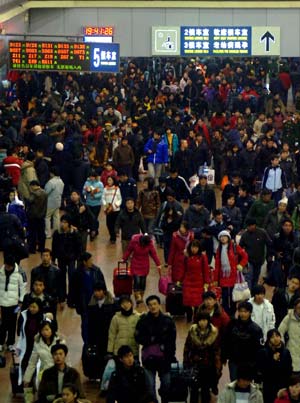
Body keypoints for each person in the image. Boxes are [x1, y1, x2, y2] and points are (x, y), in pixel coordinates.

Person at [135, 295, 176, 403]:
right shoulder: (143, 321)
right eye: (150, 305)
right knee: (150, 387)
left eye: (155, 304)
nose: (153, 307)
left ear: (159, 305)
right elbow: (138, 337)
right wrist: (151, 340)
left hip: (165, 358)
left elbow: (172, 340)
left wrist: (171, 355)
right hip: (149, 359)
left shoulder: (168, 321)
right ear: (148, 306)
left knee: (166, 385)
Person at [183, 311, 221, 402]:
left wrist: (217, 366)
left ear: (208, 321)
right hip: (194, 364)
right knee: (194, 389)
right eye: (200, 320)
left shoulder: (213, 333)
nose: (202, 322)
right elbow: (187, 347)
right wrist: (186, 360)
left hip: (208, 365)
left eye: (204, 320)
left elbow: (217, 351)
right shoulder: (192, 331)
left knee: (206, 389)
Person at [224, 301, 264, 381]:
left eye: (245, 311)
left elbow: (259, 349)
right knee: (234, 384)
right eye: (241, 311)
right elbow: (226, 340)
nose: (243, 314)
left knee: (246, 386)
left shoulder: (256, 329)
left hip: (249, 363)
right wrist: (225, 355)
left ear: (250, 312)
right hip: (234, 361)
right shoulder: (232, 325)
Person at [71, 252, 106, 343]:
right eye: (90, 260)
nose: (92, 262)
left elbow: (103, 285)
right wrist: (73, 302)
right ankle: (87, 343)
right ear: (84, 262)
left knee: (97, 323)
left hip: (96, 302)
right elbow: (73, 289)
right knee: (86, 324)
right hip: (84, 304)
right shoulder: (77, 273)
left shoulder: (96, 271)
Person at [86, 282, 118, 379]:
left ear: (103, 291)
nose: (97, 293)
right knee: (98, 356)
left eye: (99, 291)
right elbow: (89, 322)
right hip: (96, 335)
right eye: (95, 291)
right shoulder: (91, 304)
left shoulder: (112, 303)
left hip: (108, 334)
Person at [214, 230, 248, 315]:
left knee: (234, 296)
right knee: (224, 296)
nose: (223, 238)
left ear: (228, 238)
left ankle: (232, 312)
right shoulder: (219, 249)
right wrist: (215, 279)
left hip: (234, 276)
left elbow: (245, 256)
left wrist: (241, 265)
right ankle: (225, 313)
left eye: (224, 236)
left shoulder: (234, 247)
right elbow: (217, 265)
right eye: (221, 237)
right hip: (223, 277)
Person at [23, 319, 63, 388]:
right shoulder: (37, 343)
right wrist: (27, 379)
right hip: (44, 375)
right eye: (42, 330)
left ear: (52, 329)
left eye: (47, 329)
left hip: (59, 373)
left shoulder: (59, 342)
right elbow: (32, 363)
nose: (45, 332)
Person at [52, 215, 82, 306]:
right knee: (61, 278)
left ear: (69, 224)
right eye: (62, 222)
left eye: (65, 222)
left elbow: (78, 245)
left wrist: (77, 257)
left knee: (72, 277)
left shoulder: (74, 233)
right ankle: (62, 296)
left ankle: (71, 298)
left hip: (71, 258)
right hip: (61, 258)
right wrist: (53, 258)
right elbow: (54, 246)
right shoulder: (57, 233)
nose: (63, 224)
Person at [122, 234, 161, 304]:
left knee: (143, 282)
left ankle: (141, 296)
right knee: (137, 281)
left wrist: (158, 264)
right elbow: (129, 250)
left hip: (144, 265)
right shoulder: (134, 241)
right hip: (135, 264)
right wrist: (124, 259)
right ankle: (138, 297)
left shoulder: (149, 243)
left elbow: (154, 254)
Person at [257, 329, 293, 403]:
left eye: (277, 336)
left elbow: (289, 370)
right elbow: (263, 371)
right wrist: (273, 361)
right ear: (269, 339)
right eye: (272, 337)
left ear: (280, 337)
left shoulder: (286, 352)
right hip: (269, 387)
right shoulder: (263, 352)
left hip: (283, 387)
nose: (275, 338)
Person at [0, 254, 27, 352]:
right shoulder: (1, 271)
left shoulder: (20, 272)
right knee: (2, 324)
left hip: (14, 304)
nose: (7, 268)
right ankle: (1, 342)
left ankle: (10, 343)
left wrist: (21, 302)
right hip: (2, 303)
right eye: (6, 266)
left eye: (9, 266)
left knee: (12, 323)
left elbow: (23, 288)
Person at [180, 239, 210, 322]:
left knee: (198, 303)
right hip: (188, 282)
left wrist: (206, 282)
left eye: (196, 247)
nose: (194, 249)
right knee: (187, 302)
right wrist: (180, 280)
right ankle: (189, 316)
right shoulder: (186, 257)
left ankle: (196, 318)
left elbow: (206, 270)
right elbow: (183, 269)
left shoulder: (203, 257)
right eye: (193, 247)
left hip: (199, 283)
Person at [16, 298, 44, 384]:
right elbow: (19, 330)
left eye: (34, 307)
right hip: (26, 344)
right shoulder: (24, 315)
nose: (32, 309)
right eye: (31, 306)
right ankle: (26, 383)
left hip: (37, 344)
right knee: (25, 363)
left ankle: (37, 384)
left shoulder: (43, 317)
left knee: (38, 365)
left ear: (39, 308)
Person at [239, 218, 271, 289]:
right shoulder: (245, 235)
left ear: (255, 225)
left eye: (251, 225)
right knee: (248, 277)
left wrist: (269, 255)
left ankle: (254, 291)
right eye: (248, 226)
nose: (249, 227)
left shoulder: (262, 233)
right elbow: (240, 247)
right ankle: (249, 293)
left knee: (256, 277)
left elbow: (269, 243)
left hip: (259, 260)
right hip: (249, 261)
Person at [279, 298, 300, 374]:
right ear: (295, 308)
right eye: (299, 308)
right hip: (291, 350)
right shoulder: (288, 318)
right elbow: (280, 332)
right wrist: (282, 346)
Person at [82, 169, 104, 240]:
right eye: (90, 176)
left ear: (95, 177)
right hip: (88, 203)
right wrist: (86, 191)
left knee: (94, 218)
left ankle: (93, 232)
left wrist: (94, 195)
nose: (91, 178)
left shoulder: (100, 184)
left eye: (93, 177)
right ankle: (94, 229)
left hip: (97, 204)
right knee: (90, 218)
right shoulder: (87, 183)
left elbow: (101, 194)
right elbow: (83, 192)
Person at [27, 179, 47, 254]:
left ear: (34, 185)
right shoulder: (44, 193)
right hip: (42, 215)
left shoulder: (34, 193)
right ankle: (41, 248)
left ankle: (32, 249)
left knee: (32, 233)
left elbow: (29, 201)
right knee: (41, 233)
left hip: (33, 216)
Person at [44, 167, 64, 239]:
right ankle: (56, 232)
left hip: (50, 202)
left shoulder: (51, 182)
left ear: (52, 173)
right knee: (56, 217)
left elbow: (46, 192)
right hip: (58, 201)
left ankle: (48, 233)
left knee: (47, 217)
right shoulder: (61, 181)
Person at [102, 175, 122, 244]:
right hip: (108, 210)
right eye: (108, 180)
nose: (109, 181)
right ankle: (112, 235)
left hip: (115, 209)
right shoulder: (105, 189)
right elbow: (103, 198)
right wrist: (105, 205)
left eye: (110, 180)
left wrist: (114, 206)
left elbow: (120, 199)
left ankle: (114, 237)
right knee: (109, 224)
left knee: (115, 223)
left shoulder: (117, 189)